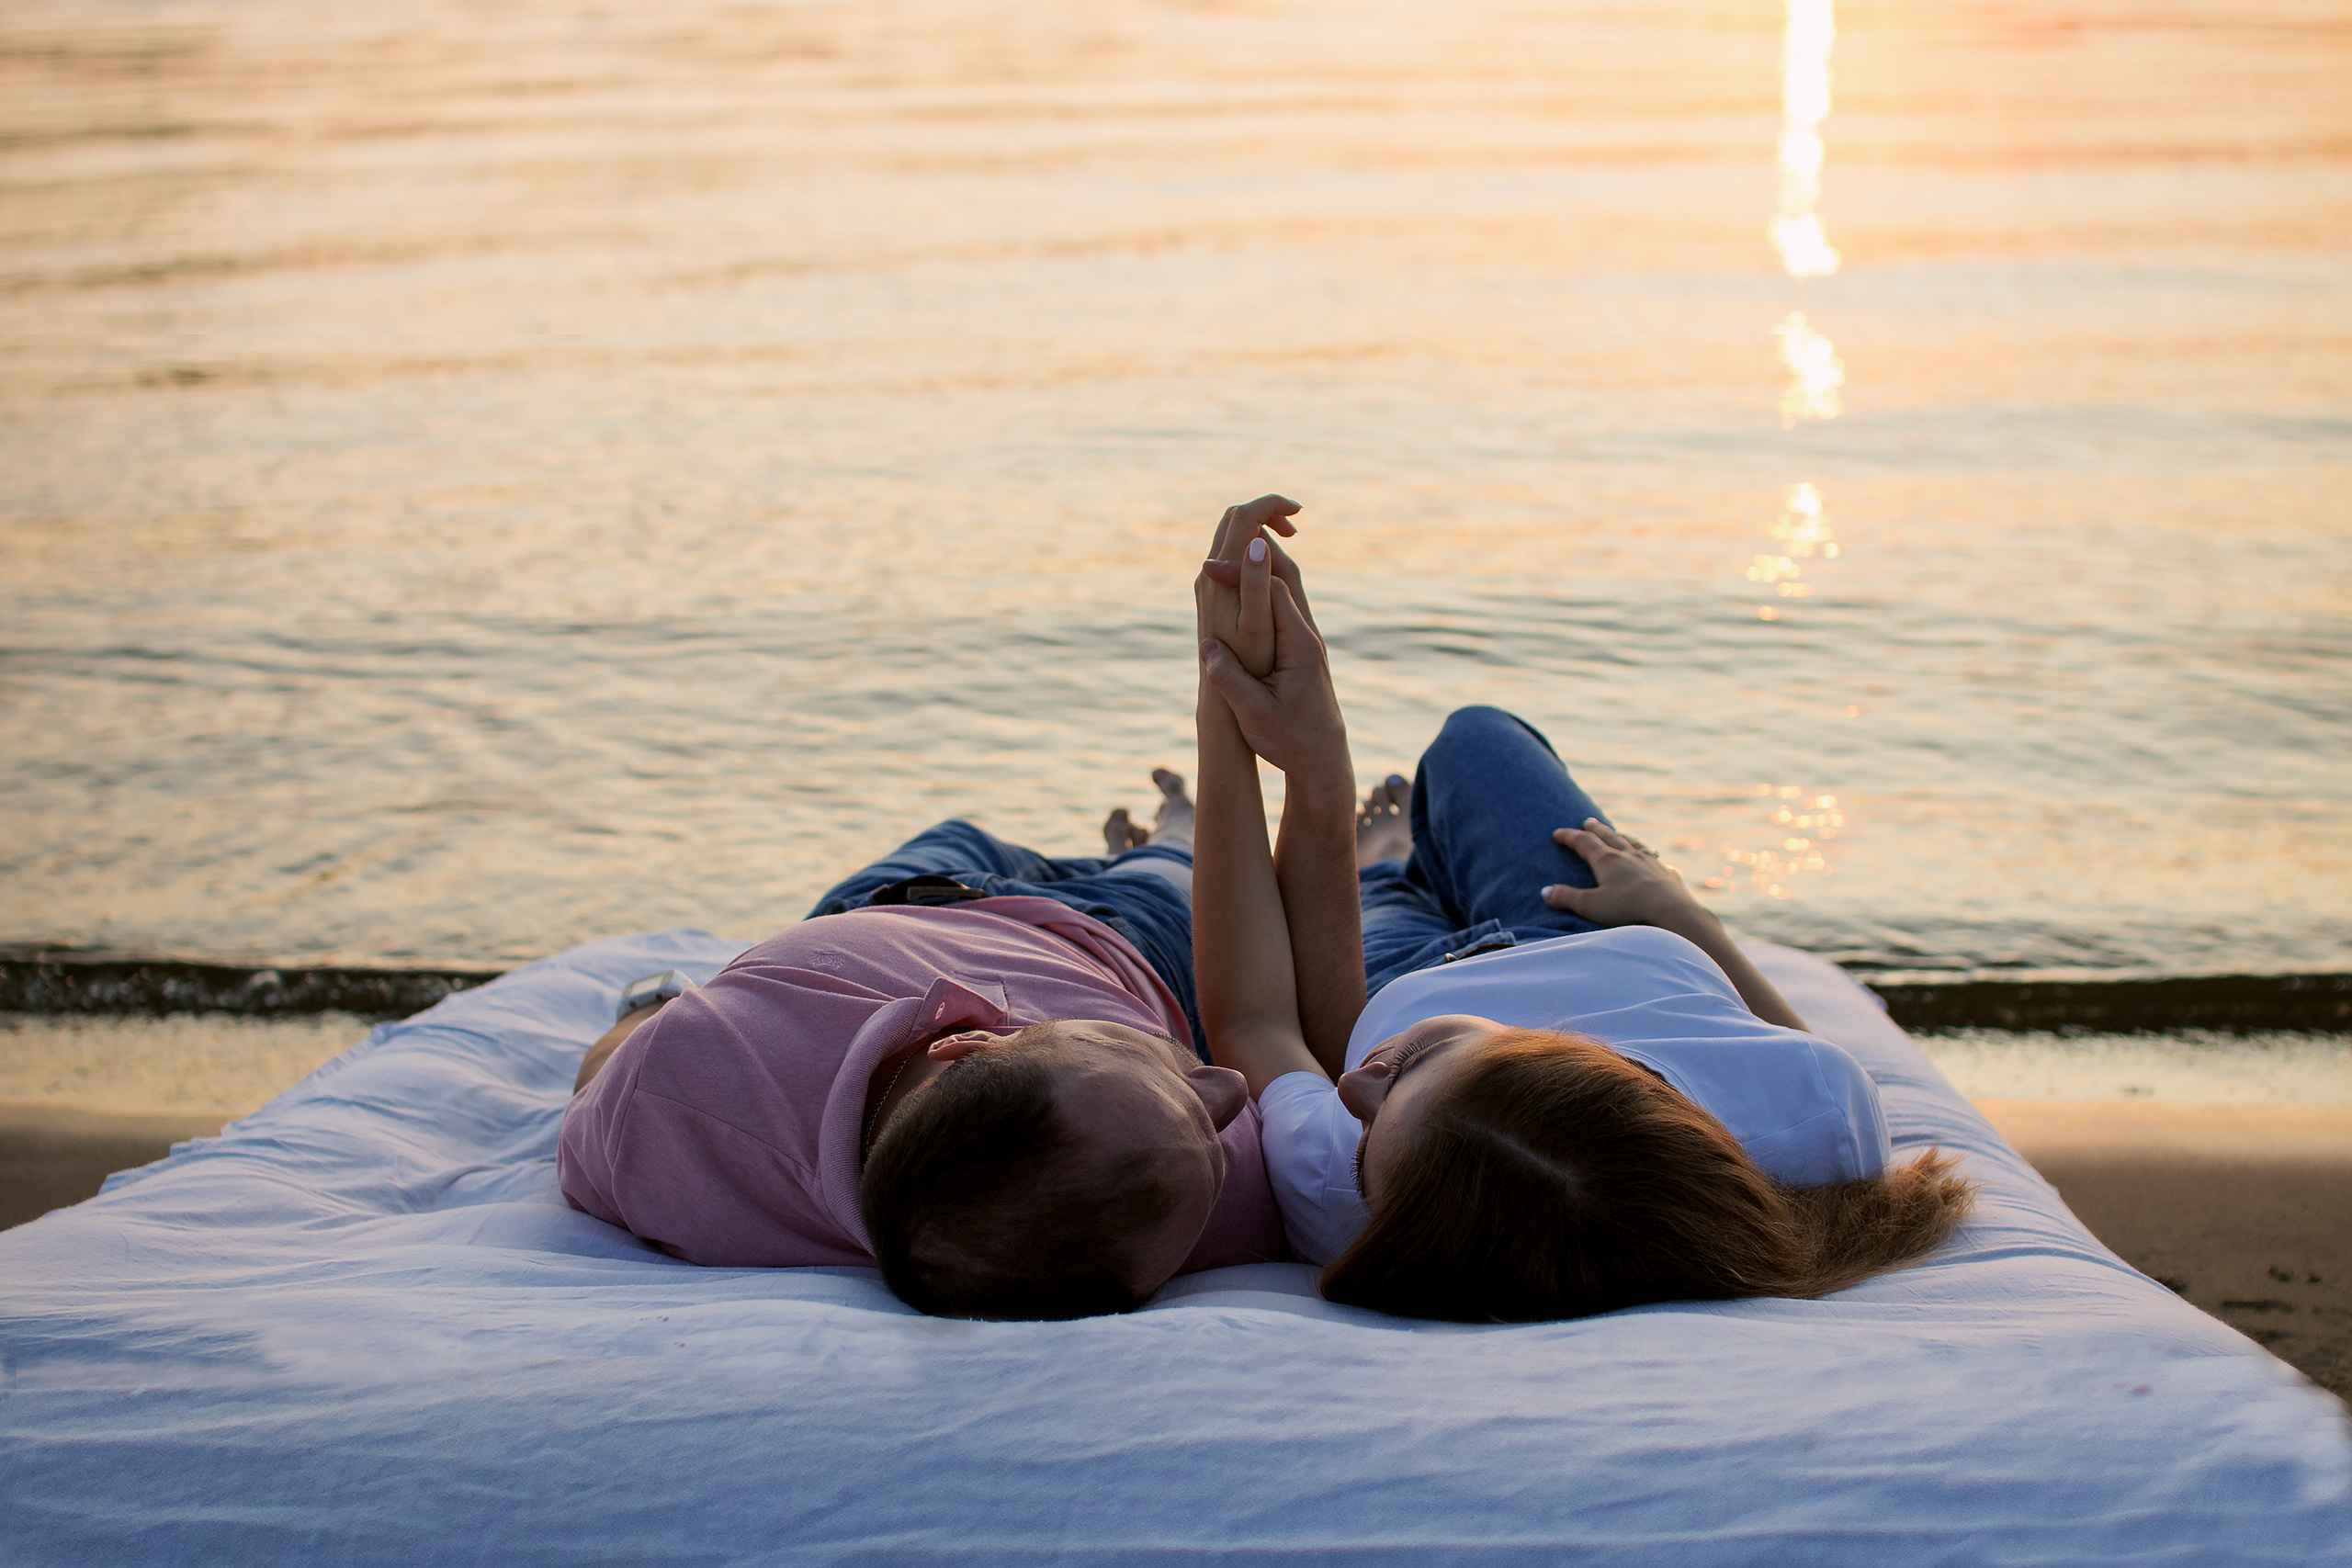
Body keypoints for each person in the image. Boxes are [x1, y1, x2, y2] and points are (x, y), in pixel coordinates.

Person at [1188, 495, 1974, 1323]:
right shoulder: (1815, 1119)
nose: (1356, 1092)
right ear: (1583, 1051)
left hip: (1386, 982)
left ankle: (1384, 864)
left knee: (1336, 916)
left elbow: (1263, 1017)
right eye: (1410, 1075)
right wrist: (1684, 916)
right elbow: (1786, 1049)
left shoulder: (1371, 1198)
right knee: (1477, 740)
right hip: (1582, 924)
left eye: (1365, 1146)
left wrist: (1254, 718)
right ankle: (1397, 860)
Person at [559, 795, 1287, 1323]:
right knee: (1170, 868)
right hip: (1121, 940)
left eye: (1182, 1085)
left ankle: (1144, 836)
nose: (1228, 1084)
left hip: (881, 903)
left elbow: (612, 1070)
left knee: (962, 832)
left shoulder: (669, 1107)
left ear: (968, 1036)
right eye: (1196, 1104)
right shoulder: (1210, 1198)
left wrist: (650, 1005)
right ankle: (1171, 831)